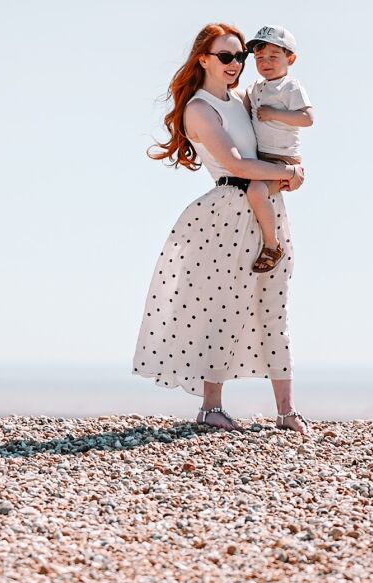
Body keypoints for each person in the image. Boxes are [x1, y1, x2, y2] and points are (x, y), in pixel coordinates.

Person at [133, 23, 311, 436]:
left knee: (275, 308)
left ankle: (286, 411)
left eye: (240, 57)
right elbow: (235, 164)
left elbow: (281, 131)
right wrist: (288, 172)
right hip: (227, 213)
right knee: (223, 309)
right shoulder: (199, 108)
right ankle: (211, 408)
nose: (236, 64)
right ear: (204, 59)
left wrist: (287, 172)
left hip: (267, 205)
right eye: (226, 56)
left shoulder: (244, 100)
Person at [241, 25, 314, 273]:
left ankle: (272, 245)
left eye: (274, 56)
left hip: (282, 157)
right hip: (261, 157)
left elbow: (307, 118)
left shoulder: (290, 87)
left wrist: (275, 114)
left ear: (290, 59)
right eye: (260, 58)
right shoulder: (256, 88)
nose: (266, 62)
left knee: (257, 191)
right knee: (250, 192)